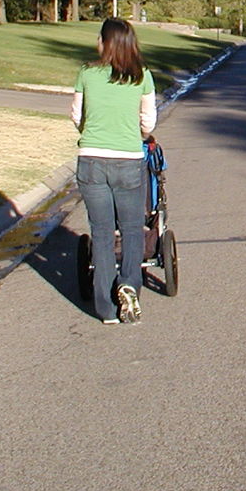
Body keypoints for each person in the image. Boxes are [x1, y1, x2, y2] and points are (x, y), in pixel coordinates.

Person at [71, 17, 157, 324]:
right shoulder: (142, 76)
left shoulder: (86, 72)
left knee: (102, 232)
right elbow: (148, 122)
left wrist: (92, 130)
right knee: (133, 229)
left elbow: (76, 115)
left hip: (91, 159)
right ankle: (129, 285)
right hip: (128, 160)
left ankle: (106, 309)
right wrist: (139, 135)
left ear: (105, 42)